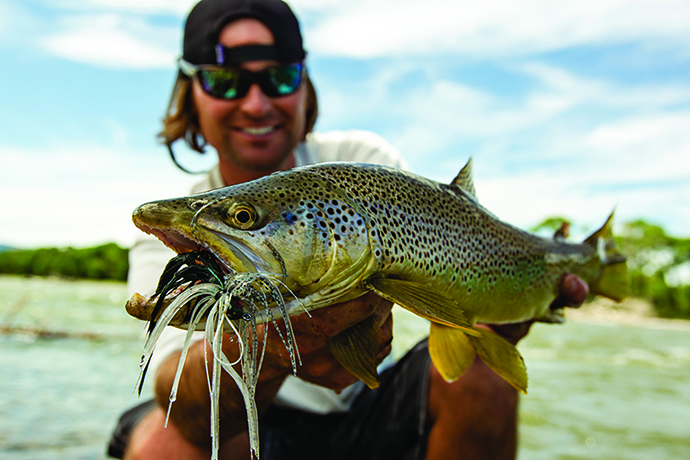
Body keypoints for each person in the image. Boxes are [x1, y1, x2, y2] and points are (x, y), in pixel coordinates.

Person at [108, 1, 589, 459]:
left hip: (368, 411)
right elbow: (187, 409)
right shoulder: (174, 238)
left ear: (304, 85)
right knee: (162, 444)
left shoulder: (365, 163)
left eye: (278, 77)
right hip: (251, 431)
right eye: (225, 82)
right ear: (189, 94)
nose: (255, 104)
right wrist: (264, 347)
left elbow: (450, 262)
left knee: (482, 375)